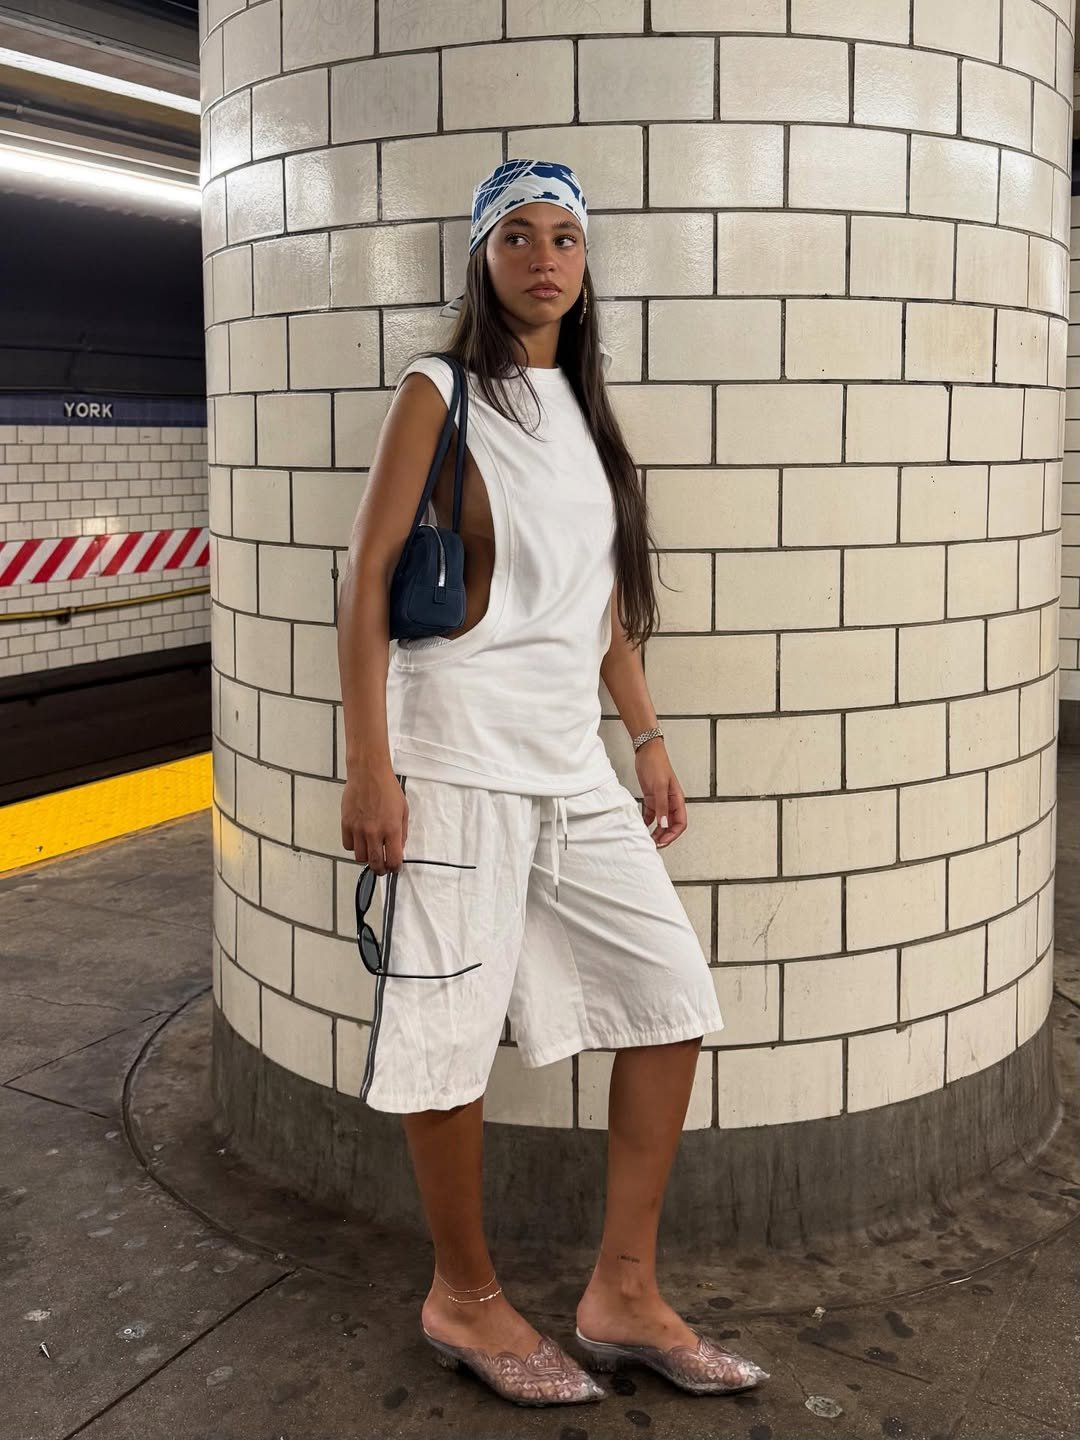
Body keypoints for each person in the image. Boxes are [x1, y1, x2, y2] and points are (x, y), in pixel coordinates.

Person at [336, 158, 770, 1407]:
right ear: (481, 258)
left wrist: (644, 736)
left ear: (587, 267)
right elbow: (364, 583)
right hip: (456, 754)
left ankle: (622, 1293)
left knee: (671, 997)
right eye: (518, 235)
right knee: (448, 1036)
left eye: (567, 238)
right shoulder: (439, 392)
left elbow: (598, 612)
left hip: (566, 756)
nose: (545, 257)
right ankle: (463, 1299)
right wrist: (372, 765)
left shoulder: (581, 413)